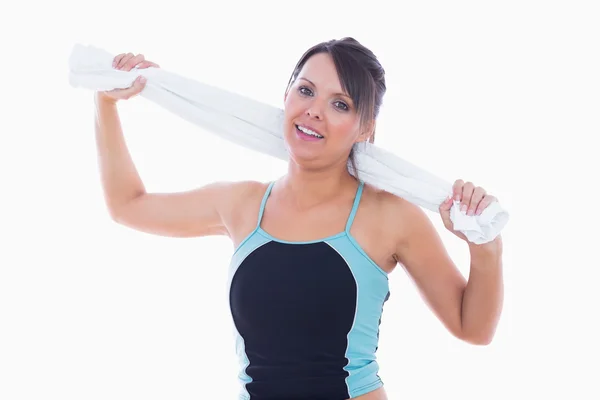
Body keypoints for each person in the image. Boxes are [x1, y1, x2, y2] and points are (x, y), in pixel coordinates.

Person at [94, 37, 504, 400]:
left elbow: (473, 328)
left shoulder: (390, 215)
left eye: (339, 104)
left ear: (365, 128)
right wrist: (106, 102)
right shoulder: (241, 204)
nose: (314, 111)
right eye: (305, 91)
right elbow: (128, 205)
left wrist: (485, 247)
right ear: (286, 97)